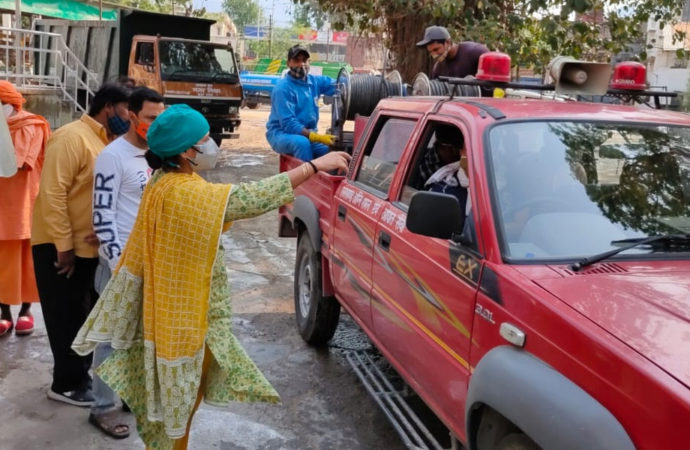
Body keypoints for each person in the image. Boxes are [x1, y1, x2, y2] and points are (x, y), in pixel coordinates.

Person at [72, 104, 350, 449]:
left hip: (183, 314)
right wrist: (313, 166)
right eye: (205, 139)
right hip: (183, 322)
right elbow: (246, 200)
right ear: (186, 151)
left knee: (180, 401)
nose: (211, 144)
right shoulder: (180, 190)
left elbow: (218, 212)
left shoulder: (170, 180)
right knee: (179, 405)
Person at [31, 83, 131, 407]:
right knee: (64, 316)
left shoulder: (106, 142)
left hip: (88, 249)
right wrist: (63, 246)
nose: (129, 118)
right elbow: (53, 194)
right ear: (109, 107)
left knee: (82, 316)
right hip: (60, 247)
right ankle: (66, 384)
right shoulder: (71, 137)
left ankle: (79, 375)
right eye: (126, 110)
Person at [88, 87, 165, 439]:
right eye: (149, 117)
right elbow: (102, 214)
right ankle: (103, 408)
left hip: (153, 264)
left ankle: (131, 396)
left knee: (141, 338)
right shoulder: (113, 156)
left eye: (160, 117)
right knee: (111, 340)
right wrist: (118, 263)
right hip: (119, 266)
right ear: (132, 115)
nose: (154, 123)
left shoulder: (160, 154)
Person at [0, 81, 51, 337]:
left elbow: (19, 163)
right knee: (2, 263)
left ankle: (26, 311)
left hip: (25, 204)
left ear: (8, 105)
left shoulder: (31, 126)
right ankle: (5, 313)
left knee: (28, 261)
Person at [266, 44, 337, 161]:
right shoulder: (283, 88)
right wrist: (314, 136)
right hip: (281, 134)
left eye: (304, 60)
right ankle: (305, 177)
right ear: (288, 63)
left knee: (332, 150)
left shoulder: (314, 82)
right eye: (296, 60)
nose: (301, 64)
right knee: (302, 143)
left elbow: (340, 85)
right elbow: (289, 124)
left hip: (308, 134)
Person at [422, 124, 469, 212]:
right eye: (459, 150)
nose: (459, 155)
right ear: (449, 148)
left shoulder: (460, 167)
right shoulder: (424, 166)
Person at [416, 25, 489, 80]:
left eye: (436, 49)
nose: (434, 55)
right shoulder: (438, 69)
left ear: (448, 42)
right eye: (431, 52)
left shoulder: (475, 52)